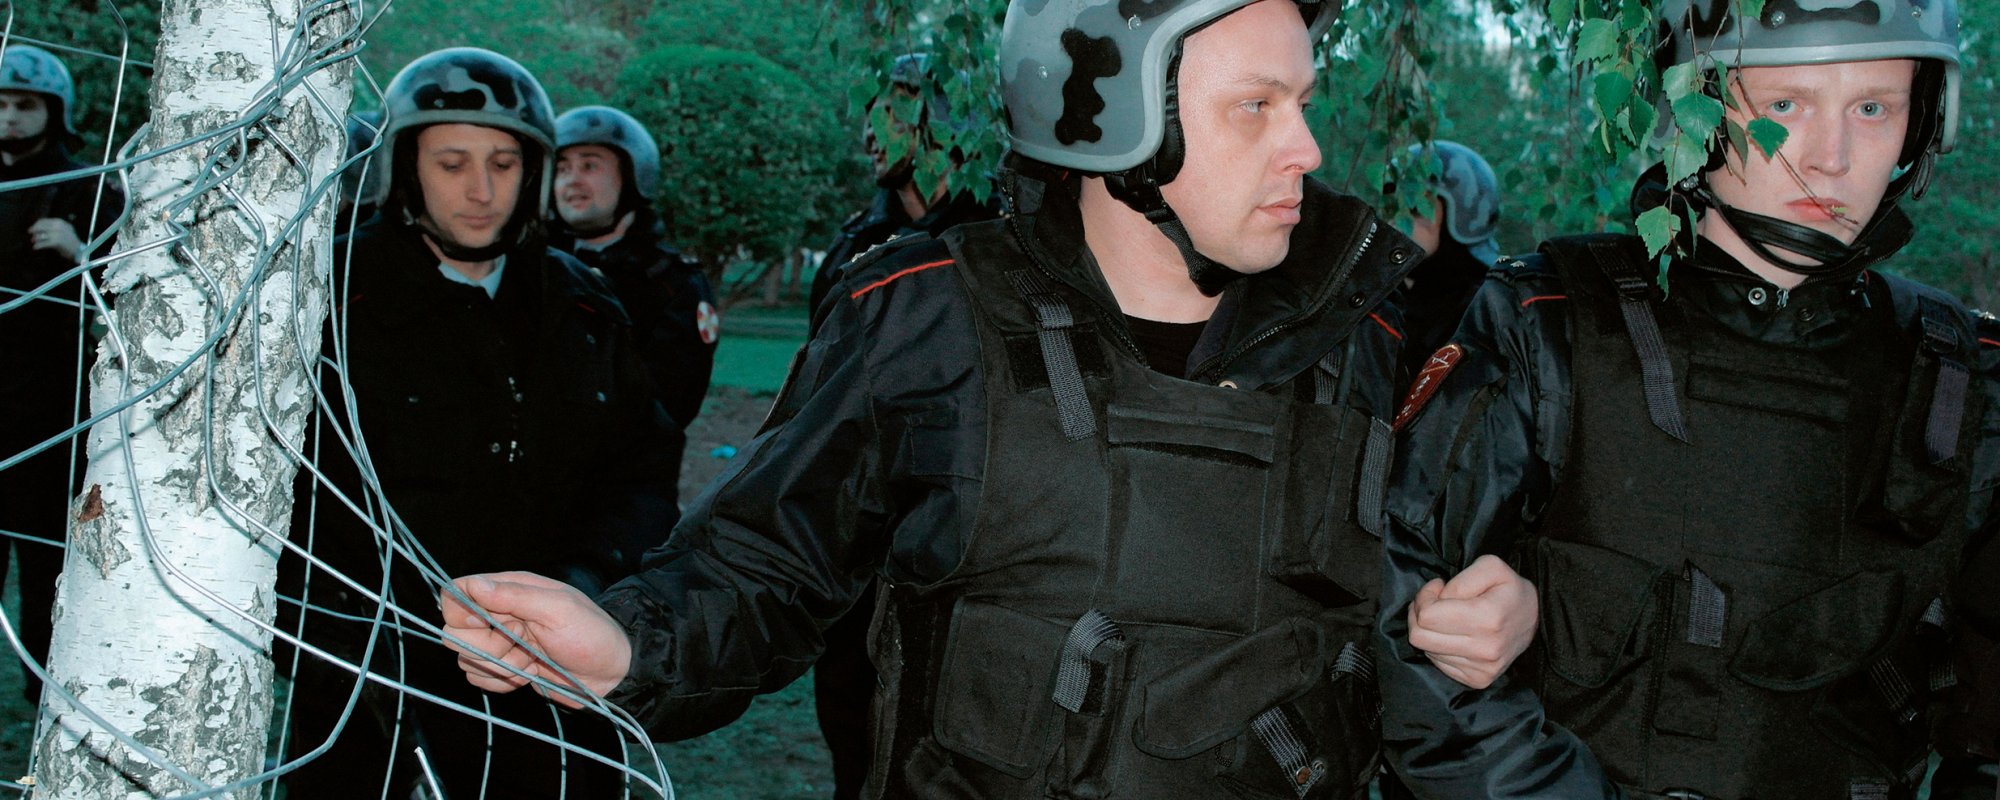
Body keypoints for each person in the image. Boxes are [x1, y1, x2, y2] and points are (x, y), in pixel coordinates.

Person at [440, 2, 1538, 798]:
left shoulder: (1372, 338)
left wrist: (1493, 619)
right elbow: (767, 564)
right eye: (1255, 107)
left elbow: (1412, 617)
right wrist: (629, 640)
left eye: (1301, 103)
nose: (1306, 147)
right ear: (1109, 119)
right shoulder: (926, 318)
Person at [1378, 0, 2000, 797]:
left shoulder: (1963, 376)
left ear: (1923, 123)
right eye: (1784, 105)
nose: (1831, 158)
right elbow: (1410, 634)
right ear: (1696, 109)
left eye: (1873, 108)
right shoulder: (1546, 323)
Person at [280, 48, 682, 800]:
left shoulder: (584, 304)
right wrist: (340, 628)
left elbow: (642, 469)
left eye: (503, 163)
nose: (481, 191)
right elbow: (283, 486)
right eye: (451, 163)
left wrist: (587, 581)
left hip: (551, 668)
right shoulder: (324, 298)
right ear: (406, 168)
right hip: (371, 674)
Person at [0, 42, 123, 705]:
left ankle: (47, 701)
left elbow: (129, 291)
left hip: (50, 413)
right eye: (0, 104)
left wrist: (80, 252)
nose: (9, 117)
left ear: (55, 110)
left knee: (48, 562)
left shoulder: (87, 187)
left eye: (25, 104)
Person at [550, 104, 719, 438]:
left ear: (632, 176)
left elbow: (669, 408)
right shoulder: (529, 267)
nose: (572, 180)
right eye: (562, 168)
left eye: (589, 165)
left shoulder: (674, 284)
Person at [804, 52, 996, 332]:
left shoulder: (994, 233)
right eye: (871, 120)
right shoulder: (855, 242)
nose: (871, 133)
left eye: (890, 117)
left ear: (942, 128)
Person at [1391, 140, 1501, 378]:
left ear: (1461, 217)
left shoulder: (1488, 311)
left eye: (1416, 209)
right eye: (1393, 207)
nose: (1398, 222)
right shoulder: (1397, 293)